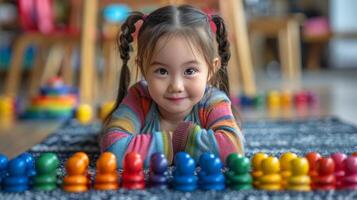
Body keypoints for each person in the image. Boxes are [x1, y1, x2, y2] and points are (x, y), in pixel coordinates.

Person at [101, 5, 244, 168]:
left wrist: (181, 140)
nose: (176, 86)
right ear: (143, 69)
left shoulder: (213, 102)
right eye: (162, 71)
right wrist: (178, 142)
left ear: (211, 69)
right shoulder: (139, 98)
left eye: (190, 71)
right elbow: (113, 150)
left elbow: (233, 149)